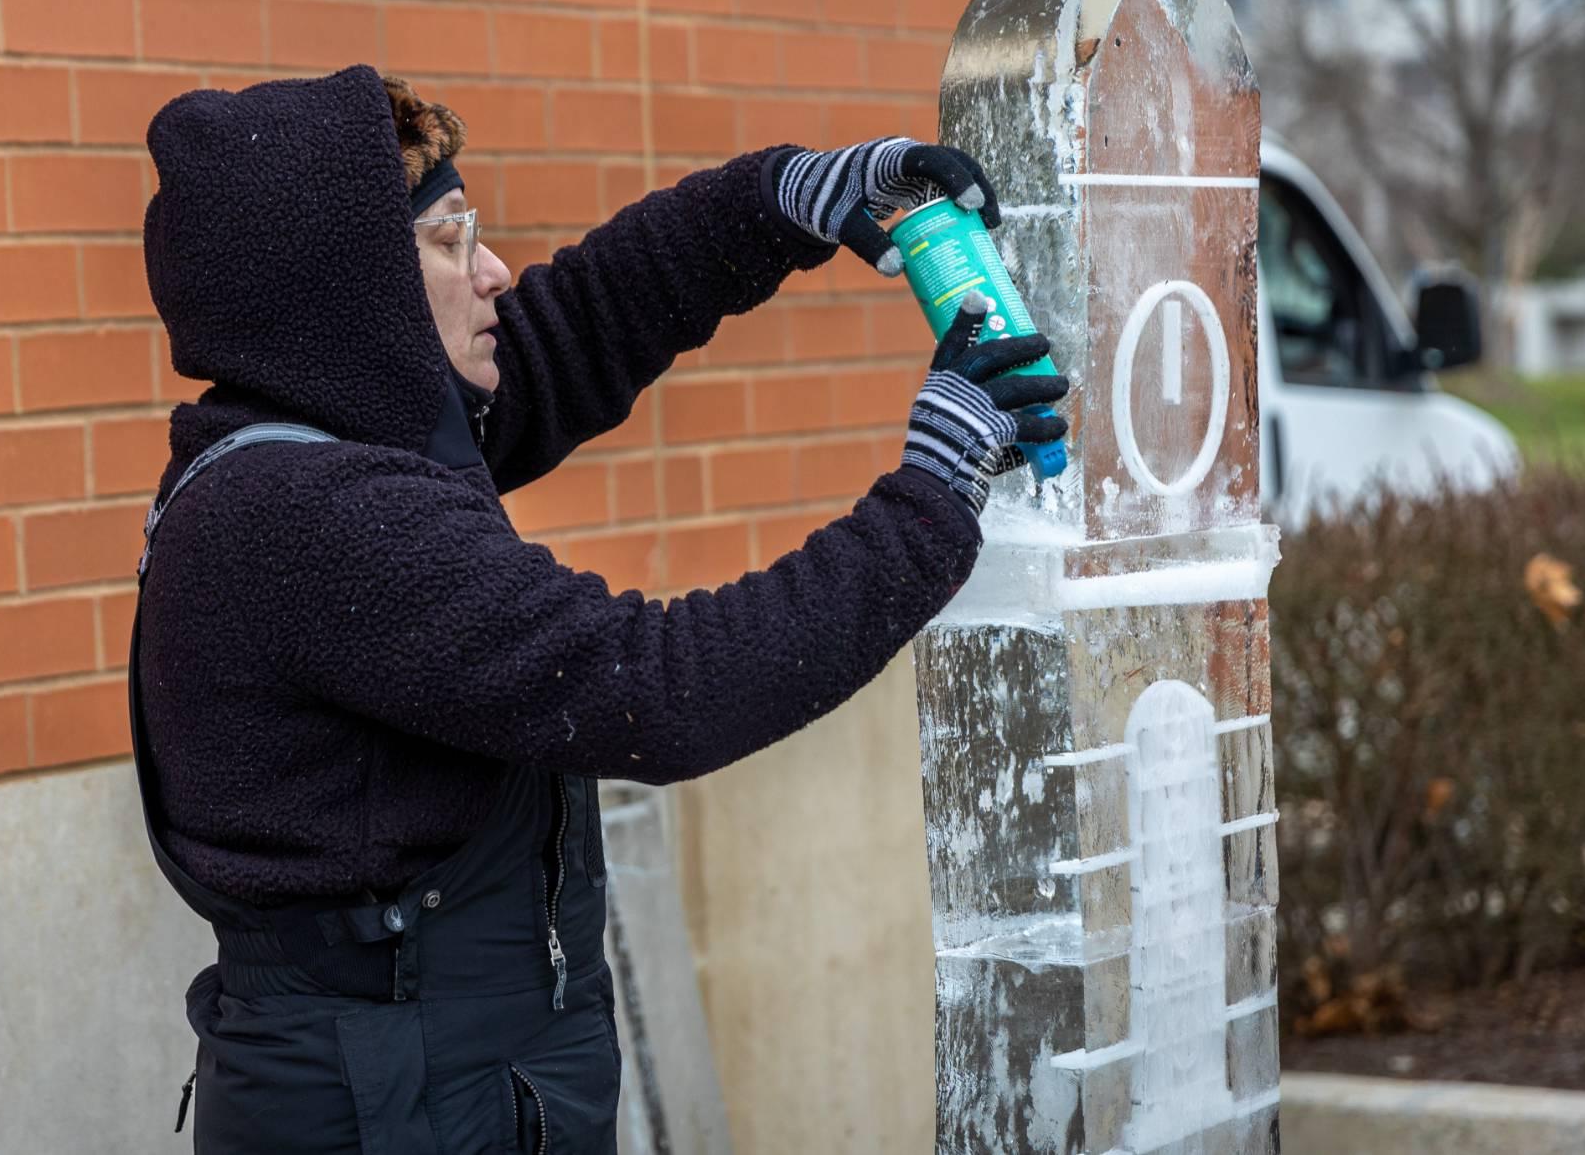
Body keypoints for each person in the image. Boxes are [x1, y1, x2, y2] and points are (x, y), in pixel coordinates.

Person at [132, 64, 1068, 1153]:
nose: (494, 272)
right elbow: (661, 688)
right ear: (350, 292)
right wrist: (933, 490)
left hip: (441, 1080)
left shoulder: (328, 435)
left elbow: (581, 322)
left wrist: (791, 198)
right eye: (447, 240)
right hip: (390, 1110)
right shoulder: (312, 518)